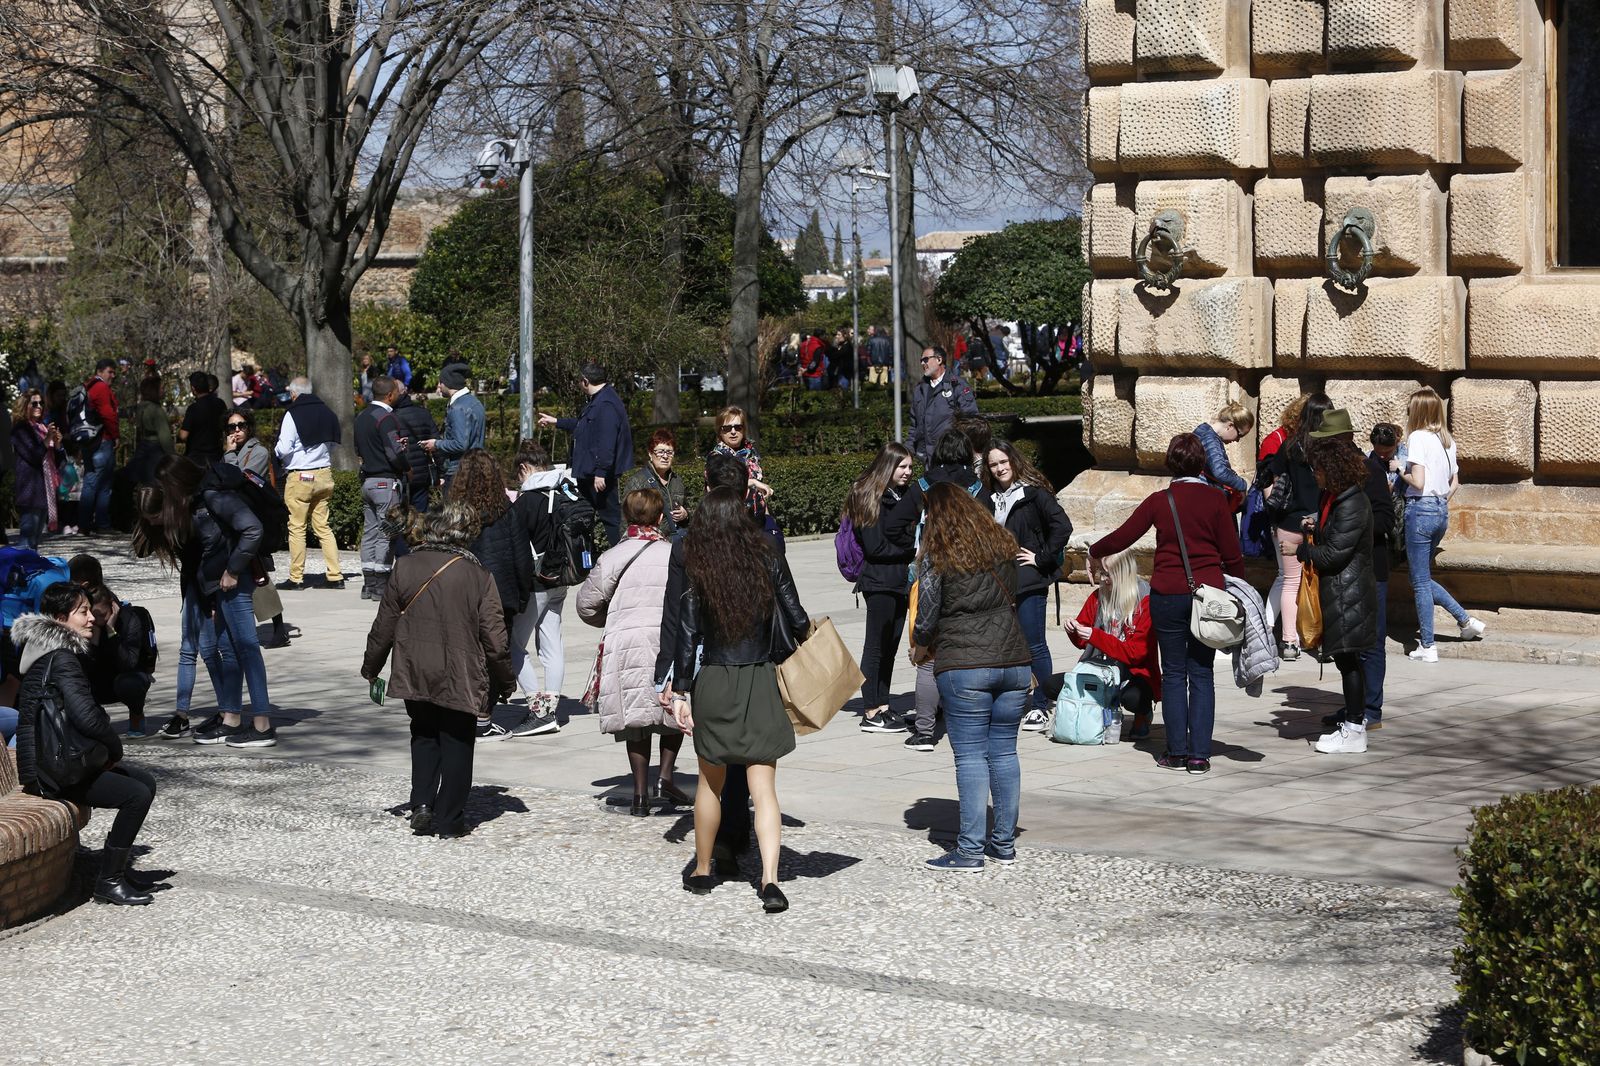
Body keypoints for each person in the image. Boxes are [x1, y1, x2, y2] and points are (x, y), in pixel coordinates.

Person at [671, 487, 809, 913]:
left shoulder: (700, 568)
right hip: (759, 678)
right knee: (763, 789)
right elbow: (798, 617)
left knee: (710, 784)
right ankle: (769, 880)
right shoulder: (768, 558)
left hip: (713, 679)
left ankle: (704, 869)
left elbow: (687, 632)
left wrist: (680, 692)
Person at [1090, 433, 1245, 776]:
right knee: (1201, 673)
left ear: (1170, 464)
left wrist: (1094, 550)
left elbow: (1124, 536)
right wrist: (1236, 588)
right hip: (1208, 596)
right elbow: (1232, 554)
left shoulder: (1160, 500)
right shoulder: (1217, 500)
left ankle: (1176, 752)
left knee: (1174, 674)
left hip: (1167, 594)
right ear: (1203, 463)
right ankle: (1200, 756)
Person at [363, 502, 514, 838]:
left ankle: (421, 803)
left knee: (424, 733)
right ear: (467, 534)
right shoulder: (478, 575)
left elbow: (384, 624)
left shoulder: (405, 566)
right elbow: (495, 638)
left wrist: (371, 666)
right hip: (459, 672)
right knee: (458, 741)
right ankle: (449, 819)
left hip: (414, 668)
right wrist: (505, 680)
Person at [909, 481, 1033, 872]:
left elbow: (927, 613)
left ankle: (969, 849)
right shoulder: (1002, 544)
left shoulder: (938, 553)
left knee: (970, 757)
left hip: (965, 664)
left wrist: (920, 644)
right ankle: (1003, 844)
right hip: (1014, 660)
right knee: (1005, 752)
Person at [13, 583, 160, 904]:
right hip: (52, 772)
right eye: (82, 612)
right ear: (61, 618)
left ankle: (117, 870)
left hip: (49, 763)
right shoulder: (62, 658)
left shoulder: (45, 652)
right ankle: (109, 880)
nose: (91, 617)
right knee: (135, 795)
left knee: (145, 782)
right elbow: (87, 718)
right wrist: (114, 750)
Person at [657, 453, 757, 876]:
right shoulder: (762, 537)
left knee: (711, 755)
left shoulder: (687, 544)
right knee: (743, 754)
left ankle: (714, 846)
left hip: (706, 661)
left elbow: (677, 614)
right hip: (753, 660)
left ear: (705, 484)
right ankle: (735, 833)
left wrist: (669, 674)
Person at [133, 455, 275, 746]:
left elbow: (252, 529)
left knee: (247, 649)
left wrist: (233, 570)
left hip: (232, 581)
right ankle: (232, 718)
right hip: (217, 586)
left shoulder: (212, 496)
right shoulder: (196, 503)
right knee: (230, 651)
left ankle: (262, 725)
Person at [576, 488, 682, 815]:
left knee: (636, 717)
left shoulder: (612, 557)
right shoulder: (674, 552)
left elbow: (585, 604)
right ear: (661, 518)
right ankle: (665, 776)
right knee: (672, 707)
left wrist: (612, 619)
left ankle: (639, 795)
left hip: (626, 641)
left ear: (626, 517)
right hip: (667, 637)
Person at [1293, 427, 1380, 755]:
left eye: (1318, 469)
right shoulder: (1338, 498)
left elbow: (1334, 554)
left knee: (1348, 661)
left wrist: (1303, 551)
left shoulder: (1353, 503)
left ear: (1334, 471)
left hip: (1350, 593)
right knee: (1346, 661)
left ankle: (1355, 729)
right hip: (1343, 592)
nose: (1315, 475)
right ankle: (1352, 725)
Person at [445, 450, 539, 741]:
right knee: (495, 653)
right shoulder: (505, 510)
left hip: (461, 593)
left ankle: (464, 709)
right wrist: (523, 594)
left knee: (463, 653)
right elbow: (521, 557)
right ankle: (484, 714)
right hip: (500, 593)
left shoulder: (454, 513)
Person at [982, 439, 1073, 730]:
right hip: (997, 581)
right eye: (993, 464)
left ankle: (1041, 705)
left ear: (1013, 461)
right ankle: (1013, 699)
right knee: (1005, 646)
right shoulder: (986, 497)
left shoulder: (1033, 494)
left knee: (1034, 644)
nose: (999, 468)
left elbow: (1063, 526)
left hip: (1028, 581)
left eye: (1003, 462)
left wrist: (1043, 557)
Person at [1401, 387, 1487, 662]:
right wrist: (1440, 502)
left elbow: (1418, 482)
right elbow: (1455, 483)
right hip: (1440, 511)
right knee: (1423, 579)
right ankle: (1465, 621)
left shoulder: (1417, 437)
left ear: (1418, 411)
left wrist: (1397, 470)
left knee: (1419, 582)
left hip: (1421, 510)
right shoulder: (1447, 441)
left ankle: (1427, 645)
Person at [843, 443, 916, 735]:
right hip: (879, 582)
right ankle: (870, 709)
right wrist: (911, 551)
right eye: (902, 467)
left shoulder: (902, 496)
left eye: (911, 467)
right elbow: (875, 547)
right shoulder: (868, 497)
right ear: (888, 467)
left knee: (890, 647)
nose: (908, 473)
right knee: (875, 646)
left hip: (899, 582)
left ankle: (883, 705)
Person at [1260, 392, 1332, 660]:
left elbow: (1270, 475)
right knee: (1322, 581)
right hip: (1319, 522)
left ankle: (1289, 642)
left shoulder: (1290, 445)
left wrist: (1274, 504)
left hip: (1289, 522)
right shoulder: (1329, 448)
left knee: (1290, 582)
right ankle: (1322, 639)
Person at [506, 440, 569, 736]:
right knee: (552, 644)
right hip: (561, 579)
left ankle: (537, 708)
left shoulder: (528, 500)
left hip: (535, 584)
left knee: (513, 645)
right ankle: (552, 706)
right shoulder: (567, 490)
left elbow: (515, 544)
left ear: (524, 468)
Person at [1067, 548, 1158, 741]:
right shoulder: (1098, 596)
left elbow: (1136, 653)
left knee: (1132, 698)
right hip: (1101, 667)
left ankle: (1143, 714)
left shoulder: (1145, 600)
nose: (1103, 579)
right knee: (1054, 685)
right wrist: (1074, 630)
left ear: (1123, 574)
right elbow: (1084, 642)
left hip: (1134, 671)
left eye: (1108, 574)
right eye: (1102, 572)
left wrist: (1096, 636)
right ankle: (1099, 710)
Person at [537, 363, 633, 546]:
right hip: (589, 473)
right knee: (585, 516)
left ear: (585, 381)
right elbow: (585, 426)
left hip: (596, 476)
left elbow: (607, 441)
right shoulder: (599, 400)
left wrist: (601, 472)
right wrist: (556, 421)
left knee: (610, 519)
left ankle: (619, 558)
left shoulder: (605, 404)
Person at [224, 410, 293, 648]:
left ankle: (278, 628)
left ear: (249, 427)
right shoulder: (232, 452)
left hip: (253, 523)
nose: (236, 431)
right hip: (234, 521)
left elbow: (238, 479)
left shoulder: (260, 452)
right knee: (250, 576)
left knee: (258, 575)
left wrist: (230, 454)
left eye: (241, 425)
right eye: (231, 427)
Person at [275, 377, 345, 591]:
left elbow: (284, 448)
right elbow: (333, 445)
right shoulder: (328, 412)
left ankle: (296, 578)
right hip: (324, 474)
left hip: (301, 476)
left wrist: (278, 454)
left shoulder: (292, 413)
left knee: (297, 528)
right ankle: (335, 576)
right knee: (323, 527)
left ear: (294, 394)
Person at [354, 375, 409, 601]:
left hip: (367, 481)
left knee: (369, 532)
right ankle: (381, 585)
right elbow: (393, 453)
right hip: (385, 482)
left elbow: (360, 449)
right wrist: (405, 465)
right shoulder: (386, 417)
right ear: (390, 395)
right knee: (388, 532)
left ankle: (368, 584)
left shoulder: (360, 417)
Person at [83, 582, 155, 739]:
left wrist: (111, 631)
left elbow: (128, 663)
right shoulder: (89, 623)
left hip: (127, 676)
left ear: (113, 606)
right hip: (100, 678)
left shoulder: (130, 620)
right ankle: (96, 716)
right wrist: (94, 639)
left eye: (102, 615)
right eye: (93, 615)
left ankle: (136, 714)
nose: (97, 620)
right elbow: (84, 667)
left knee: (128, 683)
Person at [908, 346, 979, 466]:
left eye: (925, 359)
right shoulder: (919, 389)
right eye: (921, 361)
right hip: (926, 459)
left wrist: (957, 448)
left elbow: (971, 421)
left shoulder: (958, 386)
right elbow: (914, 425)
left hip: (952, 457)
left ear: (939, 360)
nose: (922, 363)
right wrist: (909, 450)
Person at [10, 388, 63, 549]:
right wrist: (47, 440)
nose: (39, 406)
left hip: (45, 491)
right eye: (34, 403)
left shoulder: (42, 428)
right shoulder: (20, 429)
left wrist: (58, 444)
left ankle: (30, 572)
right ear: (25, 405)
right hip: (30, 490)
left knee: (35, 542)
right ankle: (17, 573)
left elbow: (59, 463)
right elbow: (33, 456)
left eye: (41, 403)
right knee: (26, 541)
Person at [422, 360, 486, 487]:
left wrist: (436, 444)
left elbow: (460, 444)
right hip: (475, 467)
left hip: (460, 472)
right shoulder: (474, 402)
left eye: (440, 382)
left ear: (448, 383)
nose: (439, 386)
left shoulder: (458, 408)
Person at [621, 428, 689, 538]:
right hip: (648, 544)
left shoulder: (677, 481)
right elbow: (625, 521)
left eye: (669, 452)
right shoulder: (637, 482)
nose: (665, 456)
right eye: (660, 452)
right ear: (650, 453)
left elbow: (689, 509)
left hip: (674, 545)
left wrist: (685, 515)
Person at [79, 358, 119, 535]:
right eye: (110, 371)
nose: (113, 375)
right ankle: (94, 524)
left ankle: (91, 523)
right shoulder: (101, 387)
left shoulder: (89, 386)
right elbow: (108, 414)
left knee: (95, 481)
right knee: (98, 483)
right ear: (100, 371)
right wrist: (116, 436)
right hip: (102, 441)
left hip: (90, 441)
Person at [392, 377, 440, 512]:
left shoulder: (390, 416)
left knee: (400, 516)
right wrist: (441, 472)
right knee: (420, 515)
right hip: (422, 474)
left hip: (401, 473)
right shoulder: (422, 413)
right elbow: (436, 442)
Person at [1195, 401, 1254, 501]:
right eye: (1239, 435)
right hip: (1204, 499)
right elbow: (1220, 472)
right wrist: (1242, 485)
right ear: (1230, 426)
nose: (1237, 440)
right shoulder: (1210, 439)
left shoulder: (1204, 433)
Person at [128, 375, 174, 487]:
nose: (164, 391)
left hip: (143, 447)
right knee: (154, 484)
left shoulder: (141, 407)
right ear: (154, 390)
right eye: (161, 388)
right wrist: (173, 457)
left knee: (143, 483)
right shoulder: (156, 410)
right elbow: (165, 437)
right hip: (156, 450)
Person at [179, 370, 229, 467]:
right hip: (216, 455)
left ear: (193, 388)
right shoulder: (220, 403)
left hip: (196, 458)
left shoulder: (193, 408)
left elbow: (183, 435)